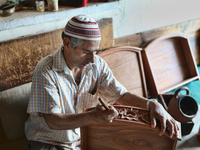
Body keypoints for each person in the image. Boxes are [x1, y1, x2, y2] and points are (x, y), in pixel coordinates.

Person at [25, 14, 179, 150]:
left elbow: (120, 94)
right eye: (86, 52)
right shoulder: (45, 70)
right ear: (67, 44)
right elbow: (53, 121)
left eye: (95, 51)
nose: (92, 59)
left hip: (82, 136)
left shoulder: (96, 64)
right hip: (49, 140)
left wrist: (152, 104)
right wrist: (93, 117)